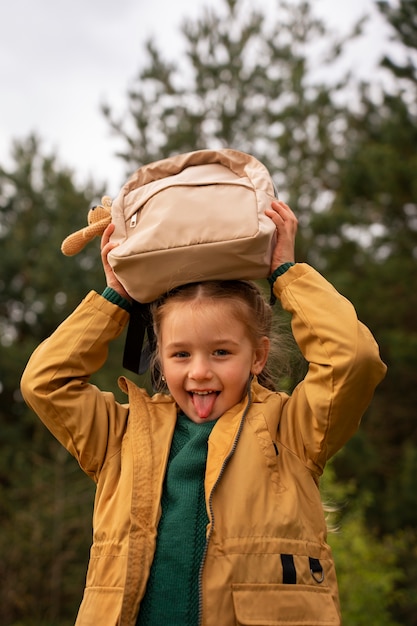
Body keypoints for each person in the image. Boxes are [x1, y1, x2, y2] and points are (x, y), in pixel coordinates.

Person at [20, 199, 386, 626]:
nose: (199, 372)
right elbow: (44, 382)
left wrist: (287, 275)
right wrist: (115, 298)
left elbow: (353, 360)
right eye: (180, 354)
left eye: (221, 352)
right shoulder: (119, 435)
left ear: (258, 356)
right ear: (160, 358)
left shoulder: (293, 431)